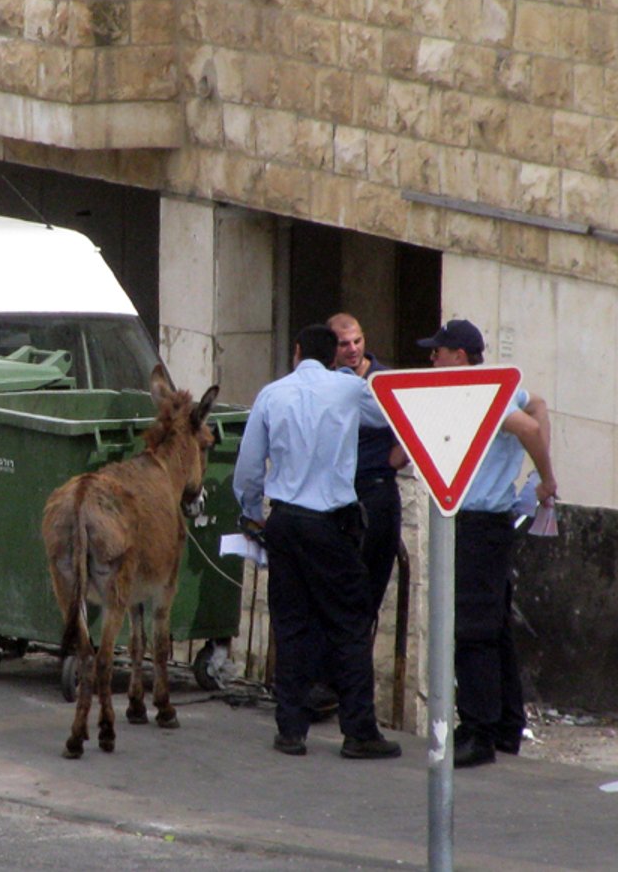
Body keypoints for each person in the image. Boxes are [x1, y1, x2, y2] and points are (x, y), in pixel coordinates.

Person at [233, 323, 402, 760]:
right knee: (349, 624)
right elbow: (391, 415)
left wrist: (252, 512)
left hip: (284, 523)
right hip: (330, 524)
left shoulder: (272, 394)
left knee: (291, 625)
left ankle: (291, 730)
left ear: (296, 352)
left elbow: (249, 467)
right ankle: (359, 731)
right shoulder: (348, 389)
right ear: (333, 357)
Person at [417, 318, 558, 767]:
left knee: (472, 631)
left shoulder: (482, 391)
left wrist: (545, 478)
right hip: (485, 524)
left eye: (439, 352)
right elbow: (538, 405)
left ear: (460, 357)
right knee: (493, 627)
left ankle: (478, 731)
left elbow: (531, 427)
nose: (433, 358)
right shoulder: (494, 389)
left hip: (479, 523)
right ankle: (505, 726)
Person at [327, 313, 403, 621]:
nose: (353, 349)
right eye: (344, 344)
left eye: (357, 341)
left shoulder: (385, 381)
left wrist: (395, 458)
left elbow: (412, 429)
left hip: (375, 488)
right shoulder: (325, 381)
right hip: (335, 494)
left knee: (364, 598)